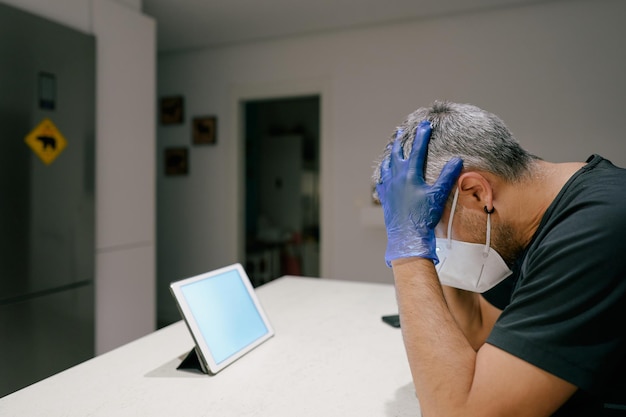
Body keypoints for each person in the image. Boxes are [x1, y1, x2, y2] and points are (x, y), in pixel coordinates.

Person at [372, 101, 626, 417]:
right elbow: (476, 330)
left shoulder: (597, 229)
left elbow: (459, 412)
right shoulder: (530, 228)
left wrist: (409, 252)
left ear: (477, 193)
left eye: (431, 230)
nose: (433, 246)